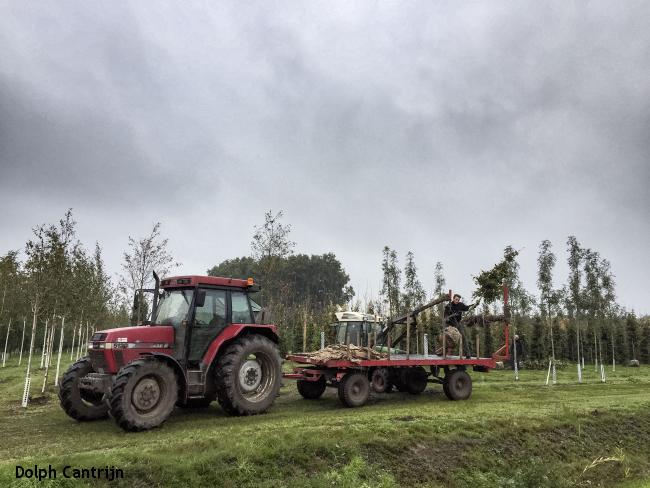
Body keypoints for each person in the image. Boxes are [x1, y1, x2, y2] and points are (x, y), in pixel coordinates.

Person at [444, 294, 472, 358]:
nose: (457, 301)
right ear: (453, 299)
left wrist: (474, 305)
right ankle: (444, 352)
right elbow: (445, 316)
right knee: (447, 338)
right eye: (456, 299)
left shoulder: (460, 305)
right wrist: (448, 318)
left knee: (463, 337)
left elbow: (466, 308)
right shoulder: (448, 306)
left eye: (458, 300)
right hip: (450, 324)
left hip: (458, 323)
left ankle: (468, 354)